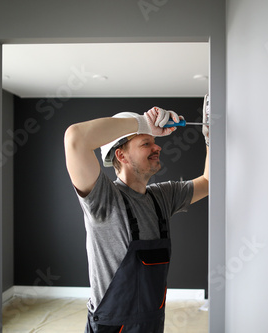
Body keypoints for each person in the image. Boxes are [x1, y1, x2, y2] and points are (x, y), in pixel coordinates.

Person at [64, 105, 209, 333]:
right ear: (121, 155)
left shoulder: (162, 197)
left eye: (153, 141)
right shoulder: (104, 199)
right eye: (146, 143)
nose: (157, 147)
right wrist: (143, 121)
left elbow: (208, 182)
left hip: (152, 324)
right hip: (112, 327)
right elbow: (75, 138)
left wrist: (210, 139)